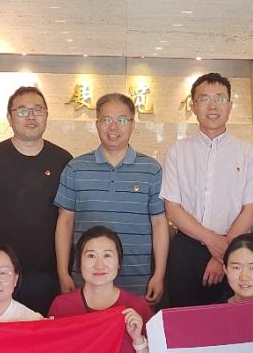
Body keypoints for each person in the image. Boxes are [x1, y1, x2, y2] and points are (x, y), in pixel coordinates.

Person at [161, 73, 253, 308]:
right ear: (193, 106)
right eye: (204, 99)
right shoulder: (177, 152)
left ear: (230, 106)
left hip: (234, 250)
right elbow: (172, 209)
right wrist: (213, 242)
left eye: (220, 98)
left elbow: (250, 209)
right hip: (186, 250)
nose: (213, 106)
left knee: (229, 320)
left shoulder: (247, 154)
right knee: (184, 317)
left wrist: (223, 256)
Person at [0, 86, 72, 315]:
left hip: (48, 272)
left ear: (46, 115)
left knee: (44, 330)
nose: (31, 116)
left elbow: (67, 217)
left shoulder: (63, 160)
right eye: (22, 111)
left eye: (38, 110)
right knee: (0, 330)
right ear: (9, 117)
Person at [54, 93, 169, 302]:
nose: (113, 127)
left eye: (122, 120)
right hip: (87, 282)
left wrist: (159, 274)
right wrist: (63, 273)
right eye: (106, 119)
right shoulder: (75, 168)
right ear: (97, 124)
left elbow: (160, 223)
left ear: (132, 125)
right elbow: (65, 222)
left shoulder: (151, 170)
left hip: (138, 282)